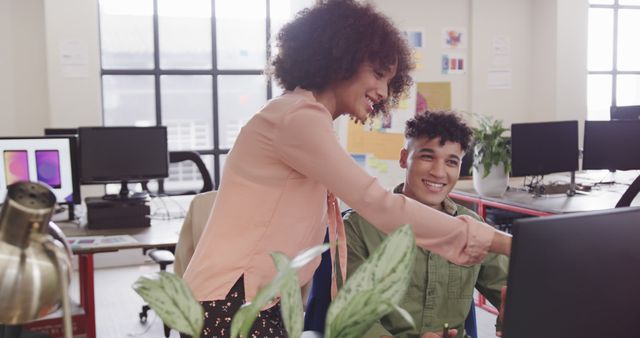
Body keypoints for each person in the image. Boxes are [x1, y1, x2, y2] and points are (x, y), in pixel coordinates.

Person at [182, 1, 511, 336]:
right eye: (379, 74)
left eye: (390, 82)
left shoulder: (306, 118)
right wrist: (506, 242)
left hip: (256, 300)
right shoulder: (298, 117)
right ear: (340, 57)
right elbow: (379, 204)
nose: (384, 93)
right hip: (230, 299)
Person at [344, 111, 509, 338]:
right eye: (427, 157)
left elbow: (509, 291)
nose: (439, 172)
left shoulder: (473, 227)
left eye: (451, 162)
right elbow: (354, 320)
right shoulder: (358, 226)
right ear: (404, 158)